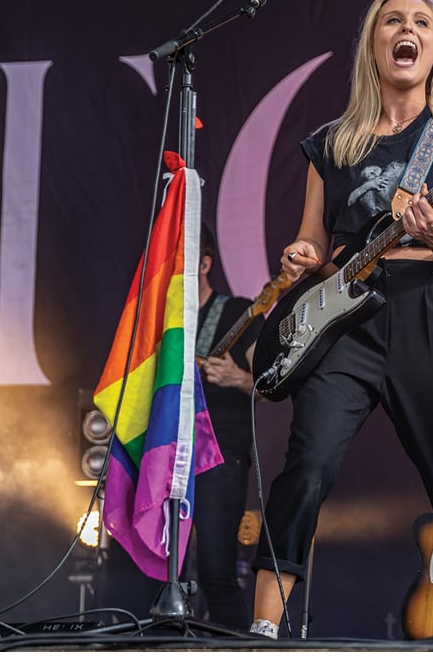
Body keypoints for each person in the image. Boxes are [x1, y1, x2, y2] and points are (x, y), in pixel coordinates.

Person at [246, 0, 433, 639]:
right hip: (344, 320)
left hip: (424, 311)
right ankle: (261, 634)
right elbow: (314, 239)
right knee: (305, 469)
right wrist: (299, 257)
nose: (406, 29)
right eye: (393, 19)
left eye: (421, 22)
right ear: (375, 43)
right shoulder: (330, 144)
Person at [191, 223, 263, 629]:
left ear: (205, 263)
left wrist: (237, 378)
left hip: (220, 454)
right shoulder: (159, 320)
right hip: (168, 456)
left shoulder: (237, 312)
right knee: (149, 574)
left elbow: (271, 384)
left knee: (216, 572)